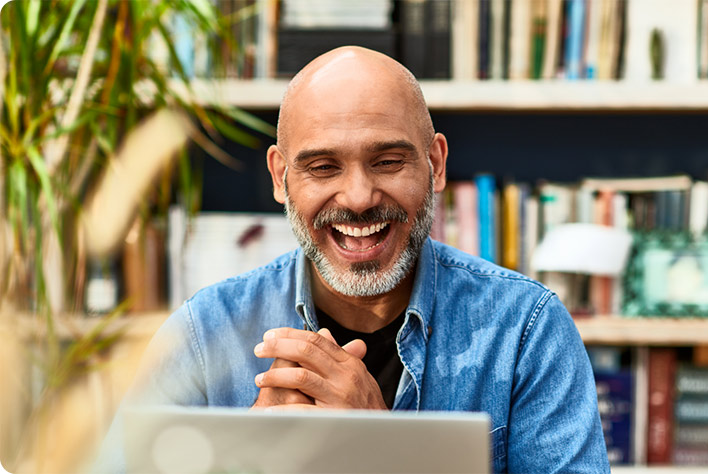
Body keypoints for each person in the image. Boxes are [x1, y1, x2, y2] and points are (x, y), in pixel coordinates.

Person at [94, 46, 609, 473]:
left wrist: (384, 449)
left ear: (435, 164)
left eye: (387, 162)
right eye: (322, 166)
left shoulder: (526, 331)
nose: (359, 197)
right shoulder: (203, 336)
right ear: (280, 177)